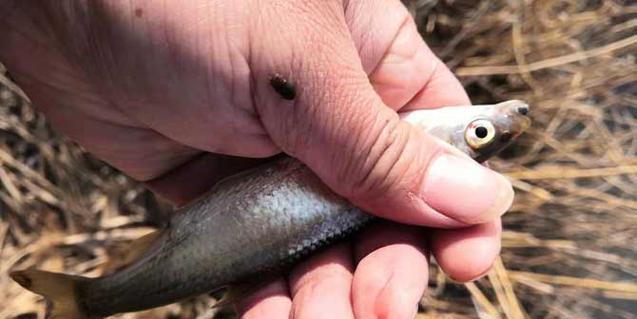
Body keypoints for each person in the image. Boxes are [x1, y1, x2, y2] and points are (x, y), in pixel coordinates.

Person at [0, 2, 513, 318]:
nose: (505, 115)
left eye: (481, 130)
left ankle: (89, 302)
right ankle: (88, 301)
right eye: (481, 132)